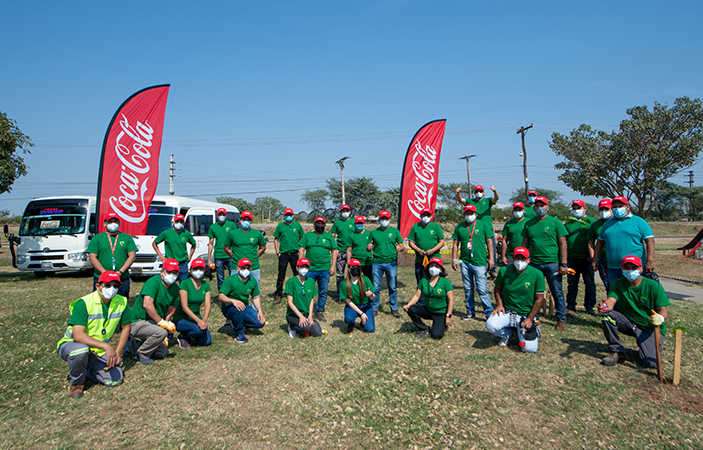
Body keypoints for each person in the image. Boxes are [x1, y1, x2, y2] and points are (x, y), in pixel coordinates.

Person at [57, 271, 135, 398]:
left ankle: (87, 369)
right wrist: (106, 347)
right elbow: (77, 335)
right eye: (108, 285)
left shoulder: (122, 302)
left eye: (116, 286)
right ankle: (77, 384)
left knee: (115, 379)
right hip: (74, 344)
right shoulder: (84, 303)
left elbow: (126, 327)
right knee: (80, 351)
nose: (112, 289)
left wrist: (117, 354)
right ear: (98, 286)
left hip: (96, 349)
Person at [600, 255, 670, 368]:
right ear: (622, 269)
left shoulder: (654, 286)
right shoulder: (618, 284)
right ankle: (616, 351)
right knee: (608, 316)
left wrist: (660, 318)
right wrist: (605, 306)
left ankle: (646, 347)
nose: (630, 271)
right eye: (626, 268)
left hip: (649, 327)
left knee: (651, 363)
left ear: (641, 269)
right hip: (630, 323)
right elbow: (610, 302)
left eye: (633, 268)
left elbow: (664, 311)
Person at [521, 196, 569, 331]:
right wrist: (523, 260)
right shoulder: (529, 223)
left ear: (547, 207)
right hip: (534, 263)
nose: (539, 208)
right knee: (532, 291)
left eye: (542, 205)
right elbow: (525, 243)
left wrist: (564, 264)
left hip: (552, 262)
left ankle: (561, 319)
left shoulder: (556, 222)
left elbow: (563, 244)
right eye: (537, 205)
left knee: (556, 291)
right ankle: (534, 316)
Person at [486, 248, 545, 352]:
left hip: (526, 314)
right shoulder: (504, 271)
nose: (520, 261)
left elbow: (539, 300)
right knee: (491, 325)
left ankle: (520, 332)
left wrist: (530, 318)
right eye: (517, 258)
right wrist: (499, 304)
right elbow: (497, 289)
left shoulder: (537, 274)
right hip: (508, 311)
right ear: (513, 259)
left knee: (529, 349)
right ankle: (508, 334)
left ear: (528, 260)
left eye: (523, 258)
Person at [125, 259, 180, 364]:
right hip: (137, 321)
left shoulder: (175, 289)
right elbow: (147, 304)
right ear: (162, 272)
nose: (172, 275)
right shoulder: (153, 282)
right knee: (160, 333)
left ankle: (131, 346)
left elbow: (169, 310)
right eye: (169, 272)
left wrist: (166, 323)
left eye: (175, 272)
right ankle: (143, 354)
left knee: (162, 352)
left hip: (153, 323)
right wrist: (161, 323)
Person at [593, 196, 655, 282]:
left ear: (628, 207)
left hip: (634, 268)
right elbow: (600, 242)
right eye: (615, 207)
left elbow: (650, 241)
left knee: (634, 293)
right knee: (614, 293)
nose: (617, 209)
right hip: (613, 268)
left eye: (620, 206)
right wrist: (595, 259)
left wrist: (650, 261)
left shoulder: (639, 222)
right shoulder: (607, 224)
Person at [451, 204, 494, 320]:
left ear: (476, 214)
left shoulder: (483, 225)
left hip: (479, 261)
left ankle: (489, 313)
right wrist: (454, 259)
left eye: (471, 213)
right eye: (467, 213)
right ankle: (470, 311)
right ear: (464, 214)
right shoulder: (460, 227)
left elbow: (490, 242)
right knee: (468, 288)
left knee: (482, 289)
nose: (469, 215)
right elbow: (455, 244)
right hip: (465, 261)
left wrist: (491, 258)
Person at [87, 212, 137, 298]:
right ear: (105, 223)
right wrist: (104, 273)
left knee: (121, 302)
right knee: (101, 302)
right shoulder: (97, 238)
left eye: (115, 221)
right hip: (101, 278)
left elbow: (132, 256)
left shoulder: (127, 237)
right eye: (110, 222)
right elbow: (92, 258)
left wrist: (120, 272)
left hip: (121, 278)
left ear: (119, 223)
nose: (113, 224)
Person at [403, 257, 454, 339]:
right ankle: (424, 328)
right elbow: (417, 295)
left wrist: (448, 316)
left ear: (441, 270)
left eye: (436, 267)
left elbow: (451, 300)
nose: (434, 268)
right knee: (411, 309)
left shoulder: (445, 282)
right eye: (432, 266)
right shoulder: (424, 281)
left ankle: (442, 324)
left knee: (436, 336)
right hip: (427, 309)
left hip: (440, 312)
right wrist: (408, 305)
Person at [456, 183, 500, 277]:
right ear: (474, 193)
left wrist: (495, 191)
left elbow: (496, 198)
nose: (479, 193)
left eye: (480, 191)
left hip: (487, 229)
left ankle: (492, 270)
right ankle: (474, 266)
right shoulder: (470, 201)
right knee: (475, 248)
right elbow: (461, 200)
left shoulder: (487, 201)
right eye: (477, 191)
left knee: (492, 248)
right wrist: (458, 193)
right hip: (473, 229)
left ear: (483, 192)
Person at [219, 259, 266, 344]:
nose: (246, 270)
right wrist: (233, 301)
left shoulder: (252, 281)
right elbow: (221, 297)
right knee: (238, 309)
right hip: (229, 307)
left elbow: (255, 297)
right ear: (238, 269)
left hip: (244, 306)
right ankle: (239, 334)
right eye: (243, 268)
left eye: (248, 268)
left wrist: (260, 311)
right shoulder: (230, 280)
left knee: (260, 323)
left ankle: (238, 322)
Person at [367, 210, 405, 317]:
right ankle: (374, 308)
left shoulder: (395, 231)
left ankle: (394, 308)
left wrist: (400, 248)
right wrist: (369, 247)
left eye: (386, 219)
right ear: (379, 220)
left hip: (391, 263)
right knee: (376, 287)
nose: (384, 221)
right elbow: (368, 246)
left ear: (390, 219)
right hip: (377, 263)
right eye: (382, 219)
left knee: (392, 286)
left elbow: (402, 245)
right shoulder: (373, 232)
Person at [298, 217, 337, 322]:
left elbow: (334, 251)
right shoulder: (308, 236)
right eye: (318, 223)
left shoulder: (329, 236)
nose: (320, 225)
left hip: (325, 269)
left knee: (323, 291)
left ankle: (319, 311)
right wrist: (301, 264)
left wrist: (333, 266)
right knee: (307, 290)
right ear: (314, 225)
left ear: (325, 226)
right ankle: (305, 311)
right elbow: (301, 249)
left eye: (322, 223)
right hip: (310, 269)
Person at [565, 200, 597, 315]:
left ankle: (589, 306)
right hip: (572, 258)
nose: (576, 210)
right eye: (574, 208)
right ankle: (571, 306)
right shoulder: (568, 223)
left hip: (586, 259)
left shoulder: (592, 222)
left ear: (585, 209)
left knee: (589, 283)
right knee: (572, 283)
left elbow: (597, 240)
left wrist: (593, 257)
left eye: (579, 208)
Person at [407, 208, 445, 300]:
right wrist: (418, 250)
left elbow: (442, 242)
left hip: (434, 260)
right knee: (421, 280)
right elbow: (411, 242)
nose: (426, 217)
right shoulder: (415, 227)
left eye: (428, 215)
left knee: (436, 280)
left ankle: (436, 299)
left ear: (431, 216)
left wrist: (433, 250)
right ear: (420, 216)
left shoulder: (436, 227)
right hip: (420, 260)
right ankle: (421, 301)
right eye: (424, 215)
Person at [173, 258, 212, 348]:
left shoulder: (206, 285)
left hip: (196, 316)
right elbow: (184, 307)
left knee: (207, 342)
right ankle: (183, 336)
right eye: (195, 269)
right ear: (190, 271)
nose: (198, 271)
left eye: (200, 269)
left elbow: (207, 305)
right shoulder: (185, 284)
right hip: (181, 317)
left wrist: (204, 321)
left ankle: (191, 334)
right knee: (198, 330)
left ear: (204, 270)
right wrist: (199, 321)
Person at [224, 210, 267, 286]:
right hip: (236, 266)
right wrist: (234, 256)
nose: (246, 221)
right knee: (235, 288)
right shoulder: (232, 233)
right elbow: (226, 248)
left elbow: (263, 247)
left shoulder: (257, 233)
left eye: (248, 220)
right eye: (244, 219)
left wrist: (255, 256)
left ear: (251, 221)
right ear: (240, 220)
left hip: (253, 266)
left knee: (255, 288)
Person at [285, 258, 323, 338]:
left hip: (306, 313)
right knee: (305, 328)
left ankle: (306, 324)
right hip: (294, 314)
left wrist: (310, 315)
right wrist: (300, 316)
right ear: (297, 267)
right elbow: (290, 302)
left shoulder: (311, 282)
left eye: (306, 267)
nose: (304, 269)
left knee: (317, 333)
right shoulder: (291, 282)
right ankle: (292, 326)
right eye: (302, 267)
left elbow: (311, 300)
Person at [273, 208, 304, 304]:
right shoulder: (280, 226)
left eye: (290, 215)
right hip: (284, 254)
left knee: (297, 274)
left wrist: (300, 251)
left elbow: (302, 238)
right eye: (287, 215)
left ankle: (298, 292)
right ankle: (278, 294)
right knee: (281, 275)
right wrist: (278, 252)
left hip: (295, 254)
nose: (289, 216)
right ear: (284, 216)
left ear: (293, 215)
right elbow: (276, 239)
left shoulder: (298, 226)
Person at [153, 214, 196, 282]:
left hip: (183, 263)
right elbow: (154, 243)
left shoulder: (186, 233)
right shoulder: (166, 233)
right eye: (177, 221)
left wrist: (190, 256)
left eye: (181, 222)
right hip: (170, 262)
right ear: (173, 222)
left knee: (183, 284)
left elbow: (193, 244)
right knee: (169, 282)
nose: (179, 223)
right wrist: (161, 256)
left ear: (184, 223)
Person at [341, 258, 376, 333]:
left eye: (358, 268)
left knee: (370, 329)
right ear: (349, 268)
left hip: (366, 306)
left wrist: (371, 295)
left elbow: (373, 298)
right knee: (349, 318)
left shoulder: (365, 279)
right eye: (353, 267)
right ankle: (351, 323)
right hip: (353, 306)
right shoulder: (344, 284)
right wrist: (361, 313)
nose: (355, 269)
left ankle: (363, 322)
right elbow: (348, 301)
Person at [208, 208, 236, 290]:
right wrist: (209, 259)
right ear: (216, 216)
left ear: (226, 215)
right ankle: (222, 296)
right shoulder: (213, 227)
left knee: (233, 276)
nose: (222, 216)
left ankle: (233, 294)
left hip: (230, 255)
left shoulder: (231, 225)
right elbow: (210, 243)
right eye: (220, 215)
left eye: (223, 214)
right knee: (220, 279)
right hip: (218, 255)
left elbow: (235, 239)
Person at [330, 204, 355, 300]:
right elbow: (332, 237)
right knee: (340, 275)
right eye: (343, 211)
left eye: (347, 210)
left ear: (350, 211)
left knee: (352, 274)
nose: (345, 212)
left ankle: (351, 294)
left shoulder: (354, 222)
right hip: (340, 253)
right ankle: (339, 294)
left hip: (352, 252)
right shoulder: (337, 223)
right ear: (340, 212)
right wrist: (334, 250)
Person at [588, 199, 613, 292]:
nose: (604, 212)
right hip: (603, 260)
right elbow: (591, 242)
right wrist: (593, 258)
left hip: (617, 259)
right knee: (607, 284)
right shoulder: (596, 225)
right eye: (601, 209)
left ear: (611, 209)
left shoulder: (616, 222)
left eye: (606, 209)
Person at [500, 202, 527, 266]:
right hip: (511, 255)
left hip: (525, 255)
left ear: (524, 211)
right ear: (512, 211)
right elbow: (504, 241)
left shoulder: (528, 222)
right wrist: (503, 256)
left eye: (520, 210)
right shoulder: (508, 223)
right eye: (516, 210)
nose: (517, 211)